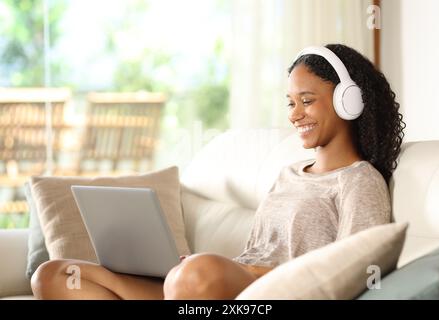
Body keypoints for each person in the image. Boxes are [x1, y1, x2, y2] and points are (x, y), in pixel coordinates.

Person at [31, 44, 405, 300]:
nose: (294, 114)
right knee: (53, 275)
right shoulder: (288, 173)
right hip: (213, 287)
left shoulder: (359, 181)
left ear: (349, 100)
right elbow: (253, 252)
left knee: (195, 274)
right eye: (290, 103)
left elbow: (356, 272)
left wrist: (224, 272)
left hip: (262, 294)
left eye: (307, 101)